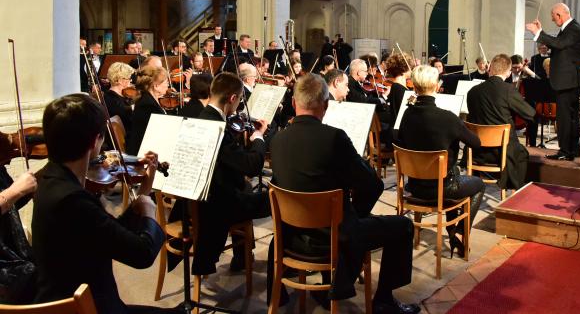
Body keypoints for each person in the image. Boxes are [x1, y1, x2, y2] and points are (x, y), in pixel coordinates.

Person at [270, 74, 419, 314]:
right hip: (333, 236)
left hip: (293, 235)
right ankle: (383, 301)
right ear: (326, 106)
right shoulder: (334, 137)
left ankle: (327, 286)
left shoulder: (277, 140)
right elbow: (372, 185)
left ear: (295, 104)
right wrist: (356, 212)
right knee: (403, 226)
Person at [31, 94, 175, 313]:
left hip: (75, 300)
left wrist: (146, 186)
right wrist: (149, 215)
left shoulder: (49, 179)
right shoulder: (72, 200)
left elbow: (111, 233)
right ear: (94, 141)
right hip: (86, 307)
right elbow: (142, 254)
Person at [397, 65, 485, 259]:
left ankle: (454, 231)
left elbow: (399, 141)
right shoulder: (448, 118)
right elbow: (476, 143)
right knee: (477, 185)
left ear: (415, 88)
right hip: (443, 187)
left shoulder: (407, 115)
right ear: (437, 87)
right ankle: (460, 232)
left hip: (415, 187)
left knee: (453, 177)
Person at [195, 73, 269, 275]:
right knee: (276, 200)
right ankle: (282, 261)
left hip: (203, 195)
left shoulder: (203, 117)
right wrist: (258, 139)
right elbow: (251, 166)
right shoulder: (217, 127)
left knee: (245, 186)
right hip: (217, 204)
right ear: (232, 98)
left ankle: (242, 255)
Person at [466, 54, 536, 190]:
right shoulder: (508, 90)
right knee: (522, 153)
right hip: (503, 151)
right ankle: (516, 190)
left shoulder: (472, 92)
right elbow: (530, 114)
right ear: (509, 72)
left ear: (490, 69)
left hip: (477, 150)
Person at [526, 2, 580, 160]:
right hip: (568, 81)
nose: (553, 20)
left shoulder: (573, 29)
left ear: (560, 15)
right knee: (570, 118)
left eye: (553, 17)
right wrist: (542, 32)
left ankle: (566, 152)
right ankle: (572, 150)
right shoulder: (569, 28)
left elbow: (559, 44)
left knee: (565, 118)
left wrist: (538, 32)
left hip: (568, 81)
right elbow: (559, 45)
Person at [0, 162, 36, 304]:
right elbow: (12, 194)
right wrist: (14, 191)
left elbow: (11, 208)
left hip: (20, 261)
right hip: (7, 273)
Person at [125, 65, 169, 157]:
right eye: (166, 82)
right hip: (143, 153)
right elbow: (158, 133)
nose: (168, 85)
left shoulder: (146, 98)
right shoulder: (148, 105)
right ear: (156, 86)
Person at [104, 62, 135, 132]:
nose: (131, 80)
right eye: (129, 78)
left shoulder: (124, 95)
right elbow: (126, 117)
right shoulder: (111, 99)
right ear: (120, 80)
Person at [384, 53, 411, 123]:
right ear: (404, 69)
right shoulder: (399, 89)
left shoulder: (396, 86)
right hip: (399, 129)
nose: (411, 69)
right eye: (410, 66)